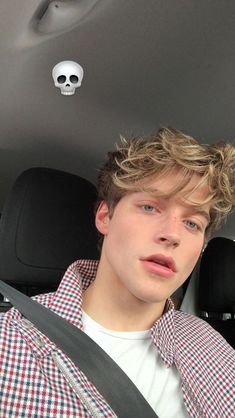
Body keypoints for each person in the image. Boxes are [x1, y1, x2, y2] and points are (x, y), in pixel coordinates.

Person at [0, 127, 234, 418]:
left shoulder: (216, 350)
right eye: (150, 207)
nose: (173, 235)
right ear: (105, 217)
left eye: (192, 224)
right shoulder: (10, 343)